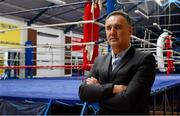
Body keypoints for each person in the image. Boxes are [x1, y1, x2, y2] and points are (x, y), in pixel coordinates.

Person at [79, 10, 156, 115]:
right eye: (108, 28)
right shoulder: (99, 61)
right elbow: (83, 92)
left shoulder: (145, 60)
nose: (112, 32)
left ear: (130, 30)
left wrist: (98, 90)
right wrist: (113, 88)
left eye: (118, 27)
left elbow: (128, 102)